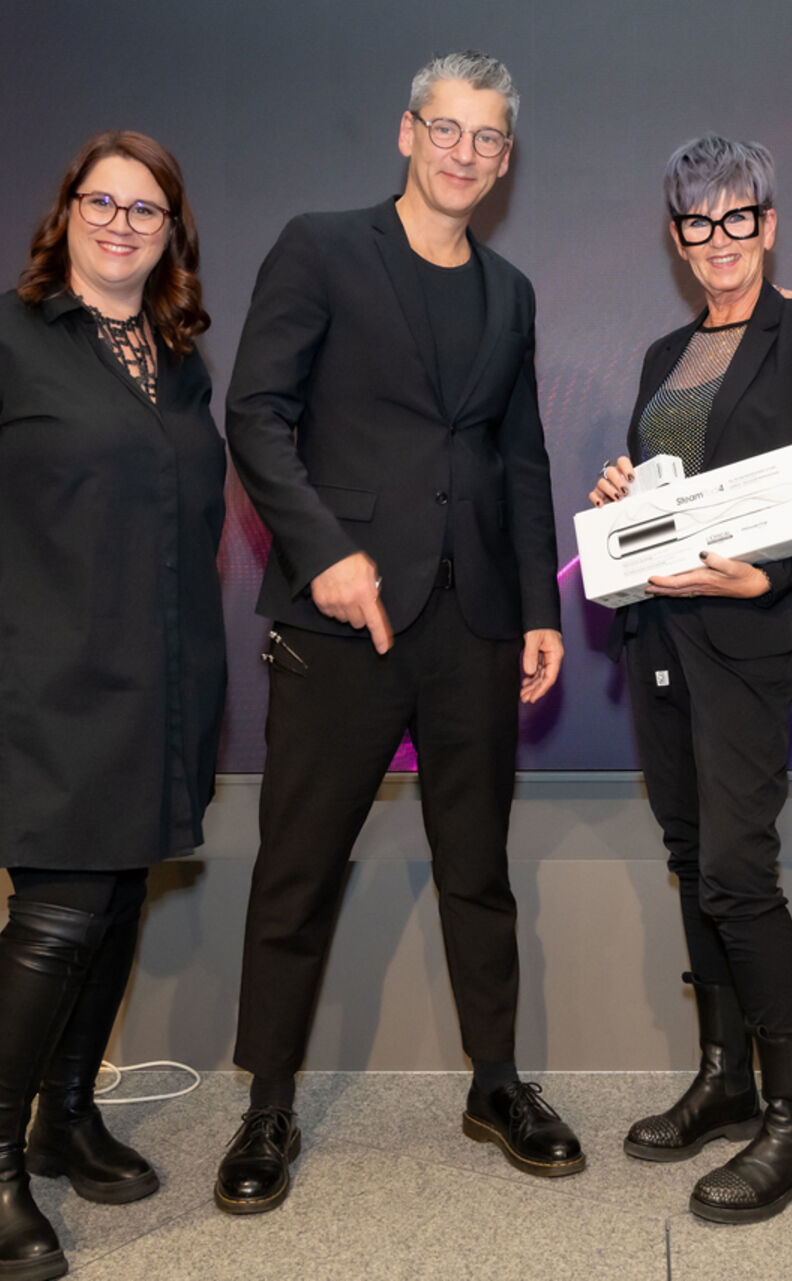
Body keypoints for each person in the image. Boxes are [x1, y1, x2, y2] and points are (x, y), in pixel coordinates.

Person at [215, 50, 576, 1214]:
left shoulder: (510, 293)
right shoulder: (322, 247)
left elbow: (521, 459)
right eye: (448, 129)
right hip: (342, 621)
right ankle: (268, 1106)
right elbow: (255, 415)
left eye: (488, 138)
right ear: (408, 133)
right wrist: (323, 552)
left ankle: (496, 1084)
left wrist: (538, 607)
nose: (466, 153)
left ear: (505, 161)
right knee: (299, 867)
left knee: (478, 867)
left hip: (475, 624)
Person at [0, 131, 225, 1280]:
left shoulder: (180, 362)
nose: (121, 222)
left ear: (171, 233)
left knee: (119, 900)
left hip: (161, 686)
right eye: (102, 201)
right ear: (67, 211)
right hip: (42, 683)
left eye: (146, 208)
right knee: (60, 914)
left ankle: (65, 1120)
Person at [590, 135, 792, 1224]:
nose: (720, 240)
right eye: (698, 222)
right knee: (693, 856)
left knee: (740, 871)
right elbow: (674, 491)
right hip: (658, 631)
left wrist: (767, 575)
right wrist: (625, 493)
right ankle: (725, 1079)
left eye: (738, 216)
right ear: (677, 236)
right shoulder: (666, 353)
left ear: (769, 223)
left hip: (749, 631)